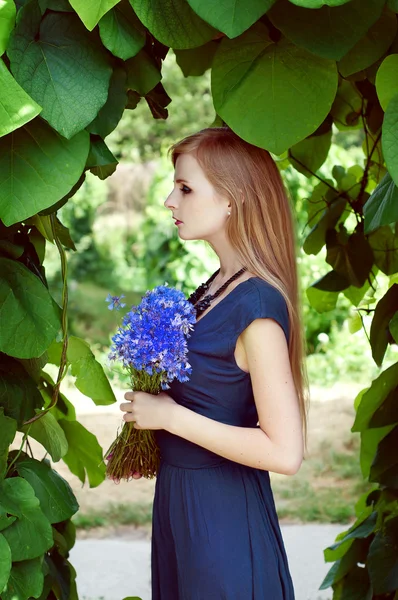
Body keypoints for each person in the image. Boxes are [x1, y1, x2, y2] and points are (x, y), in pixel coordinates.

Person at [120, 127, 309, 599]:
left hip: (221, 520)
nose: (169, 200)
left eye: (185, 188)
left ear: (232, 199)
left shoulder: (256, 304)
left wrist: (170, 416)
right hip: (181, 509)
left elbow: (285, 452)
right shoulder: (214, 287)